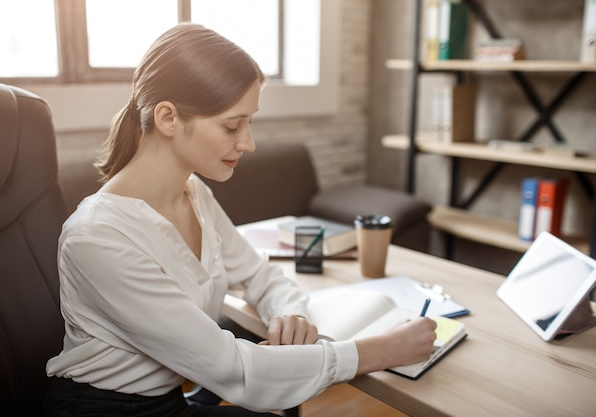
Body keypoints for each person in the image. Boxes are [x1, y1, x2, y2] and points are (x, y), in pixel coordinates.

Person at [43, 23, 437, 417]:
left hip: (170, 398)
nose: (247, 142)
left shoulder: (194, 193)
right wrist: (379, 351)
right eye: (232, 126)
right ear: (167, 118)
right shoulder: (98, 237)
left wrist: (289, 313)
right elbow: (234, 370)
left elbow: (260, 276)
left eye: (249, 123)